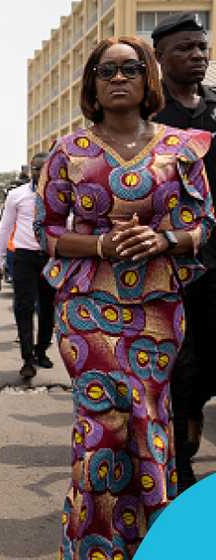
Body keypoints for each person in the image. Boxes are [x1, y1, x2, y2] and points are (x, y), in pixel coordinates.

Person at [37, 36, 213, 557]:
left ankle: (154, 542)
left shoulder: (183, 147)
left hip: (157, 306)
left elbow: (202, 222)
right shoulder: (69, 152)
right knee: (102, 425)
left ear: (148, 78)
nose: (118, 78)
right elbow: (47, 231)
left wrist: (164, 239)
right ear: (92, 84)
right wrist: (100, 244)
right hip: (87, 305)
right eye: (105, 70)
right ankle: (94, 546)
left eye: (130, 68)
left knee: (149, 420)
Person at [149, 12, 216, 493]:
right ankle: (180, 468)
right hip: (171, 264)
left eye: (202, 47)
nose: (197, 56)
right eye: (185, 49)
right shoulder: (148, 117)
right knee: (181, 367)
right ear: (159, 57)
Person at [0, 153, 55, 380]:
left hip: (51, 258)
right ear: (31, 170)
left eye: (45, 168)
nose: (41, 172)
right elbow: (4, 228)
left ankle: (41, 351)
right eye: (37, 168)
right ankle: (27, 358)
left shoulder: (58, 194)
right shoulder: (16, 196)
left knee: (48, 309)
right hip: (24, 257)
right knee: (24, 308)